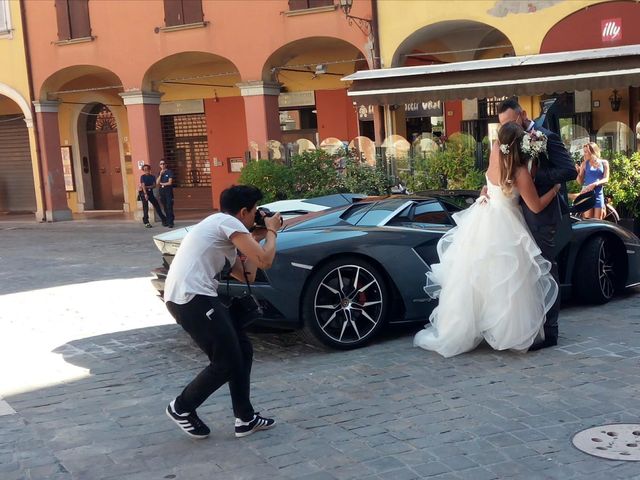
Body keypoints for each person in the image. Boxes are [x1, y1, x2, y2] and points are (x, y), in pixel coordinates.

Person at [413, 122, 560, 358]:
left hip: (484, 217)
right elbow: (535, 205)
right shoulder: (520, 172)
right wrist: (555, 189)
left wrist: (486, 192)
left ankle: (470, 328)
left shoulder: (494, 159)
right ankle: (509, 333)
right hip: (507, 224)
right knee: (509, 283)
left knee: (480, 278)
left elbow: (489, 186)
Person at [164, 185, 281, 439]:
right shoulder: (226, 222)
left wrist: (259, 237)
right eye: (254, 212)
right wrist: (272, 231)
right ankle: (182, 407)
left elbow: (248, 273)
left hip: (196, 297)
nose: (255, 217)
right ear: (243, 212)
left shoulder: (222, 228)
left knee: (243, 349)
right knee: (226, 362)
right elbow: (265, 261)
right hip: (192, 298)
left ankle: (245, 419)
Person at [496, 98, 577, 350]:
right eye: (502, 125)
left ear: (521, 115)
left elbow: (570, 171)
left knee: (546, 270)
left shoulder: (546, 137)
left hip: (541, 215)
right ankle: (534, 325)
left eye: (509, 122)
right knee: (528, 273)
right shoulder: (509, 142)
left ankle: (550, 332)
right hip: (518, 215)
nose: (505, 129)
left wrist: (534, 178)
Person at [577, 142, 609, 219]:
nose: (584, 154)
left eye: (586, 152)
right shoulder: (584, 164)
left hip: (598, 193)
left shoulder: (604, 163)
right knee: (588, 221)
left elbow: (606, 179)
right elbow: (580, 182)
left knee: (598, 222)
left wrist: (595, 184)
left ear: (593, 151)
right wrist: (578, 173)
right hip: (587, 194)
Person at [138, 164, 166, 228]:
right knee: (146, 207)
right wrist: (145, 194)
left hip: (150, 192)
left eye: (147, 169)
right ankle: (146, 222)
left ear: (149, 169)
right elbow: (143, 185)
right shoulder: (142, 176)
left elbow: (154, 185)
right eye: (144, 169)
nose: (146, 170)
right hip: (143, 193)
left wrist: (146, 187)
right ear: (143, 170)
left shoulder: (152, 176)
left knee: (156, 205)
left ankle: (163, 219)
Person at [157, 160, 175, 228]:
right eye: (161, 164)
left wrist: (162, 184)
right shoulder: (160, 172)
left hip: (168, 191)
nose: (162, 165)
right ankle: (168, 220)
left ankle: (171, 222)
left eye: (163, 164)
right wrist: (160, 175)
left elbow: (170, 182)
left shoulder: (169, 172)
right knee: (165, 207)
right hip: (162, 191)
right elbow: (157, 182)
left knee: (169, 206)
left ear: (166, 165)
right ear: (159, 165)